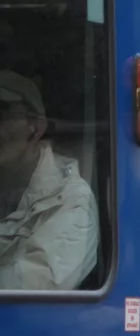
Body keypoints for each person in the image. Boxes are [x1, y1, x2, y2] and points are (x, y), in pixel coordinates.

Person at [0, 70, 98, 290]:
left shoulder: (71, 200)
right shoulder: (7, 183)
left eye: (1, 114)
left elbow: (33, 287)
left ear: (36, 129)